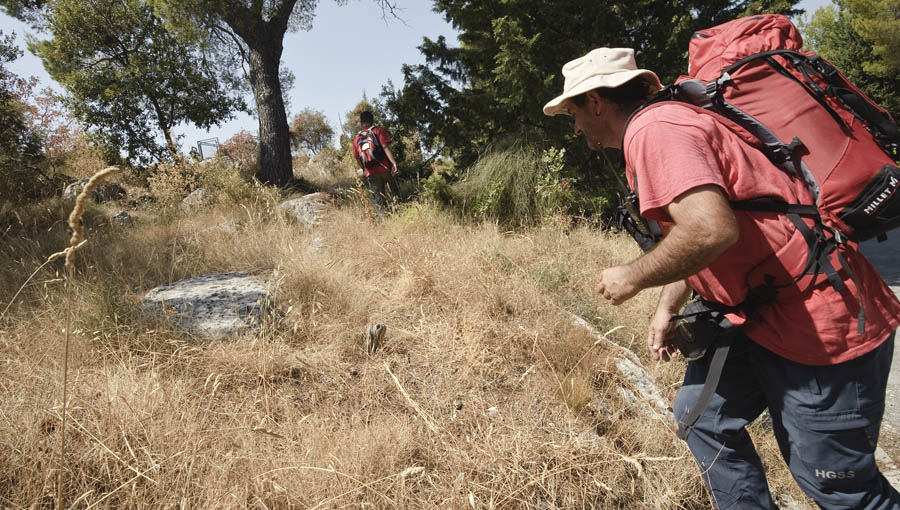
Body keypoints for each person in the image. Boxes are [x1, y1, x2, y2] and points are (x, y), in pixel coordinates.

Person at [544, 47, 900, 509]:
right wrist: (666, 308)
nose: (575, 128)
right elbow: (695, 236)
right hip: (762, 314)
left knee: (838, 487)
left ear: (596, 102)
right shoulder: (662, 126)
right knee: (703, 416)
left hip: (818, 323)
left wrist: (632, 276)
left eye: (574, 112)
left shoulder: (656, 132)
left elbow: (710, 228)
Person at [352, 111, 400, 212]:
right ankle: (398, 214)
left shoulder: (356, 138)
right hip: (385, 168)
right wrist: (394, 163)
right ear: (371, 120)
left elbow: (357, 158)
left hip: (370, 173)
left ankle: (384, 221)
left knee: (378, 200)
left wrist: (365, 170)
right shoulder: (378, 130)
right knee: (394, 192)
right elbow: (385, 147)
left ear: (361, 122)